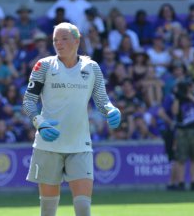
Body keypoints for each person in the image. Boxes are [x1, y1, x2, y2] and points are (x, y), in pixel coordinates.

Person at [22, 22, 121, 216]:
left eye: (64, 39)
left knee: (83, 208)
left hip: (80, 145)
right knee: (48, 211)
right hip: (48, 146)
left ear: (77, 40)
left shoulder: (92, 67)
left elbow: (102, 100)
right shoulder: (43, 66)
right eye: (55, 40)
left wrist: (111, 110)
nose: (58, 43)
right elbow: (28, 102)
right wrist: (39, 123)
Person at [171, 77, 194, 191]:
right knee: (181, 158)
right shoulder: (178, 98)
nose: (189, 88)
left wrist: (189, 95)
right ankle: (181, 183)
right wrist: (177, 97)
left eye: (190, 86)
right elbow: (174, 112)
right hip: (182, 131)